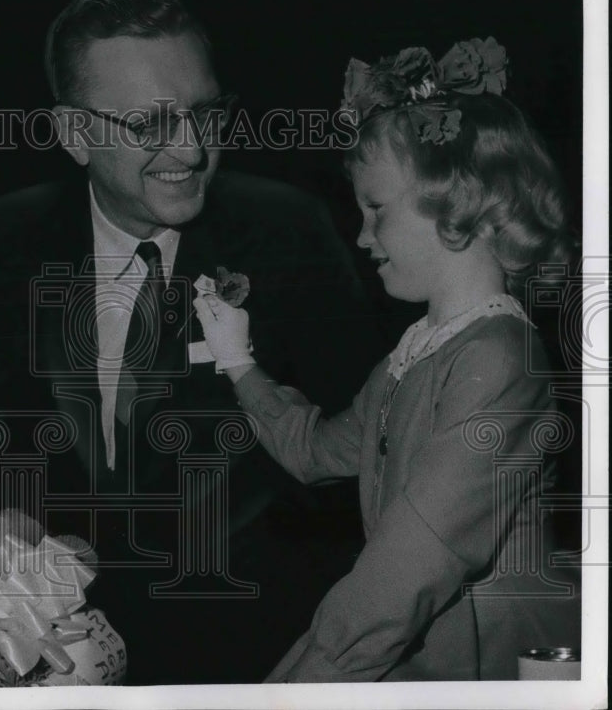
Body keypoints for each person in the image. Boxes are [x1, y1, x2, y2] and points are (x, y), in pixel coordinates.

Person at [0, 0, 383, 684]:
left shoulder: (291, 231)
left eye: (207, 114)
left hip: (263, 657)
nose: (193, 148)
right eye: (150, 124)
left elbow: (357, 468)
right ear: (75, 134)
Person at [193, 37, 582, 681]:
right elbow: (317, 451)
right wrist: (237, 358)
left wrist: (300, 682)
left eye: (376, 208)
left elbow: (405, 572)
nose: (361, 235)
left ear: (456, 200)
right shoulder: (418, 352)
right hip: (412, 643)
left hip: (486, 667)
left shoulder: (498, 357)